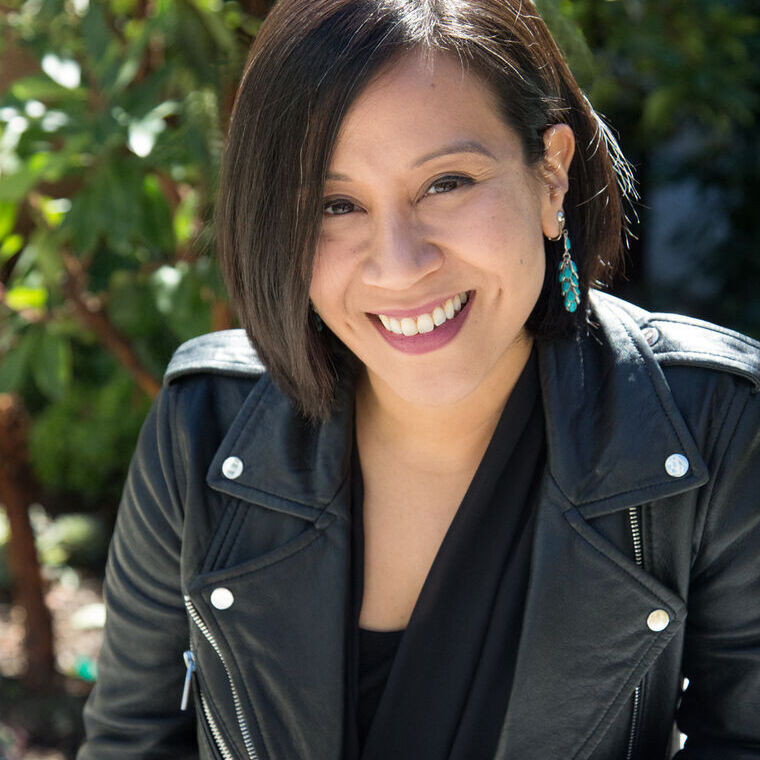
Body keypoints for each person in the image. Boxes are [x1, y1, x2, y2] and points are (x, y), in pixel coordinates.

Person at [77, 1, 760, 758]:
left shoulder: (712, 422)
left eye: (447, 183)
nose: (399, 265)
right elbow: (131, 742)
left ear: (551, 173)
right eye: (337, 204)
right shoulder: (199, 426)